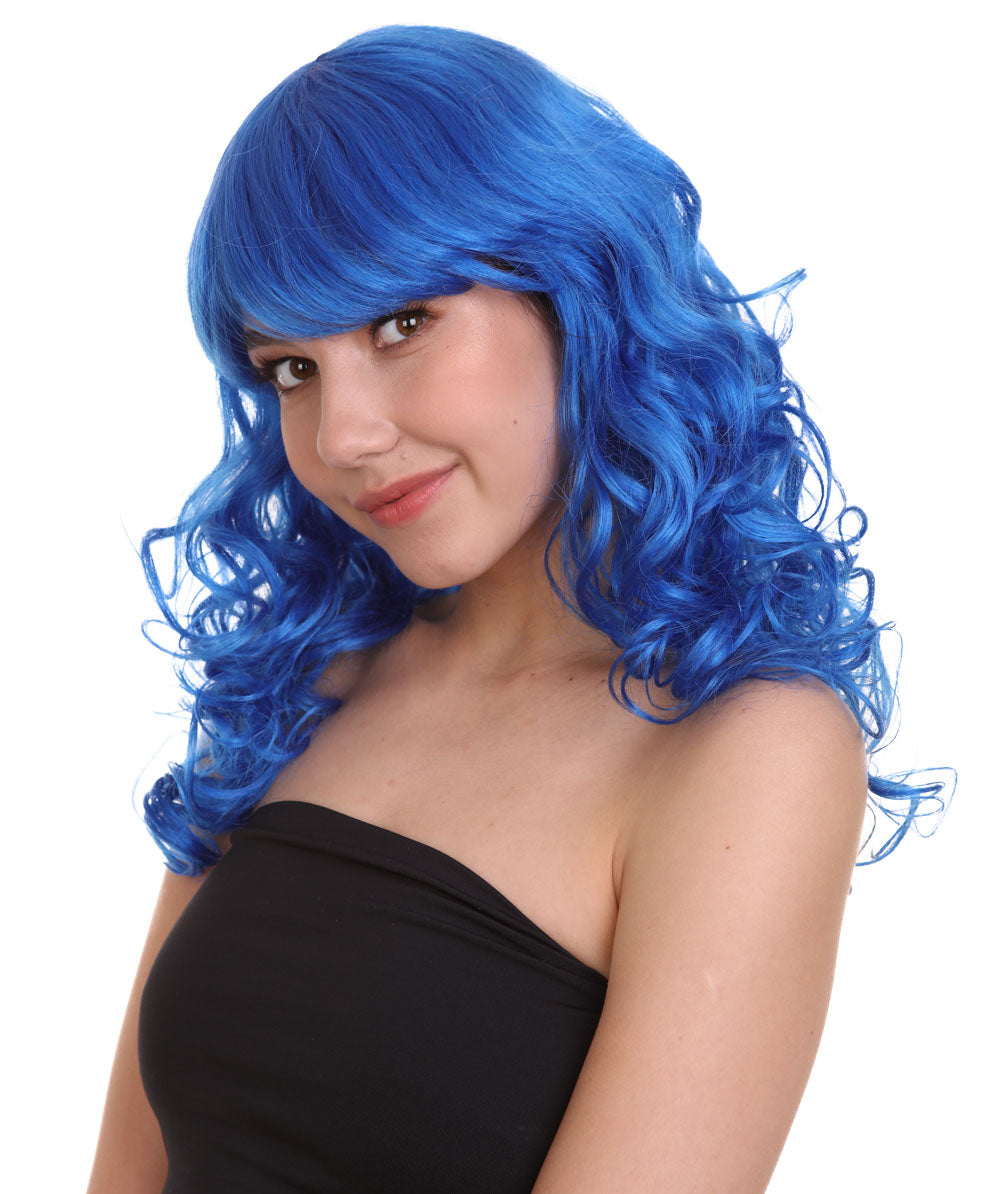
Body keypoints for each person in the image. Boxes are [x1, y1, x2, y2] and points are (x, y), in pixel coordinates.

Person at [87, 24, 951, 1194]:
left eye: (401, 323)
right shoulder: (299, 684)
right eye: (292, 368)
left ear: (574, 290)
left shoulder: (741, 746)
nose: (343, 434)